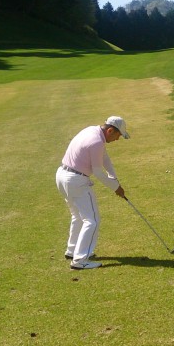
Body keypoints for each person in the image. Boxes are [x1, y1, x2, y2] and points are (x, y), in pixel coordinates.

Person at [55, 116, 130, 270]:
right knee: (92, 220)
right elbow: (98, 172)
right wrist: (116, 188)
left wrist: (114, 177)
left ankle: (72, 250)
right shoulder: (96, 142)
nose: (117, 139)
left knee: (77, 216)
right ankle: (80, 260)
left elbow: (104, 157)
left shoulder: (93, 131)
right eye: (118, 135)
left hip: (62, 176)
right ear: (110, 130)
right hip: (76, 181)